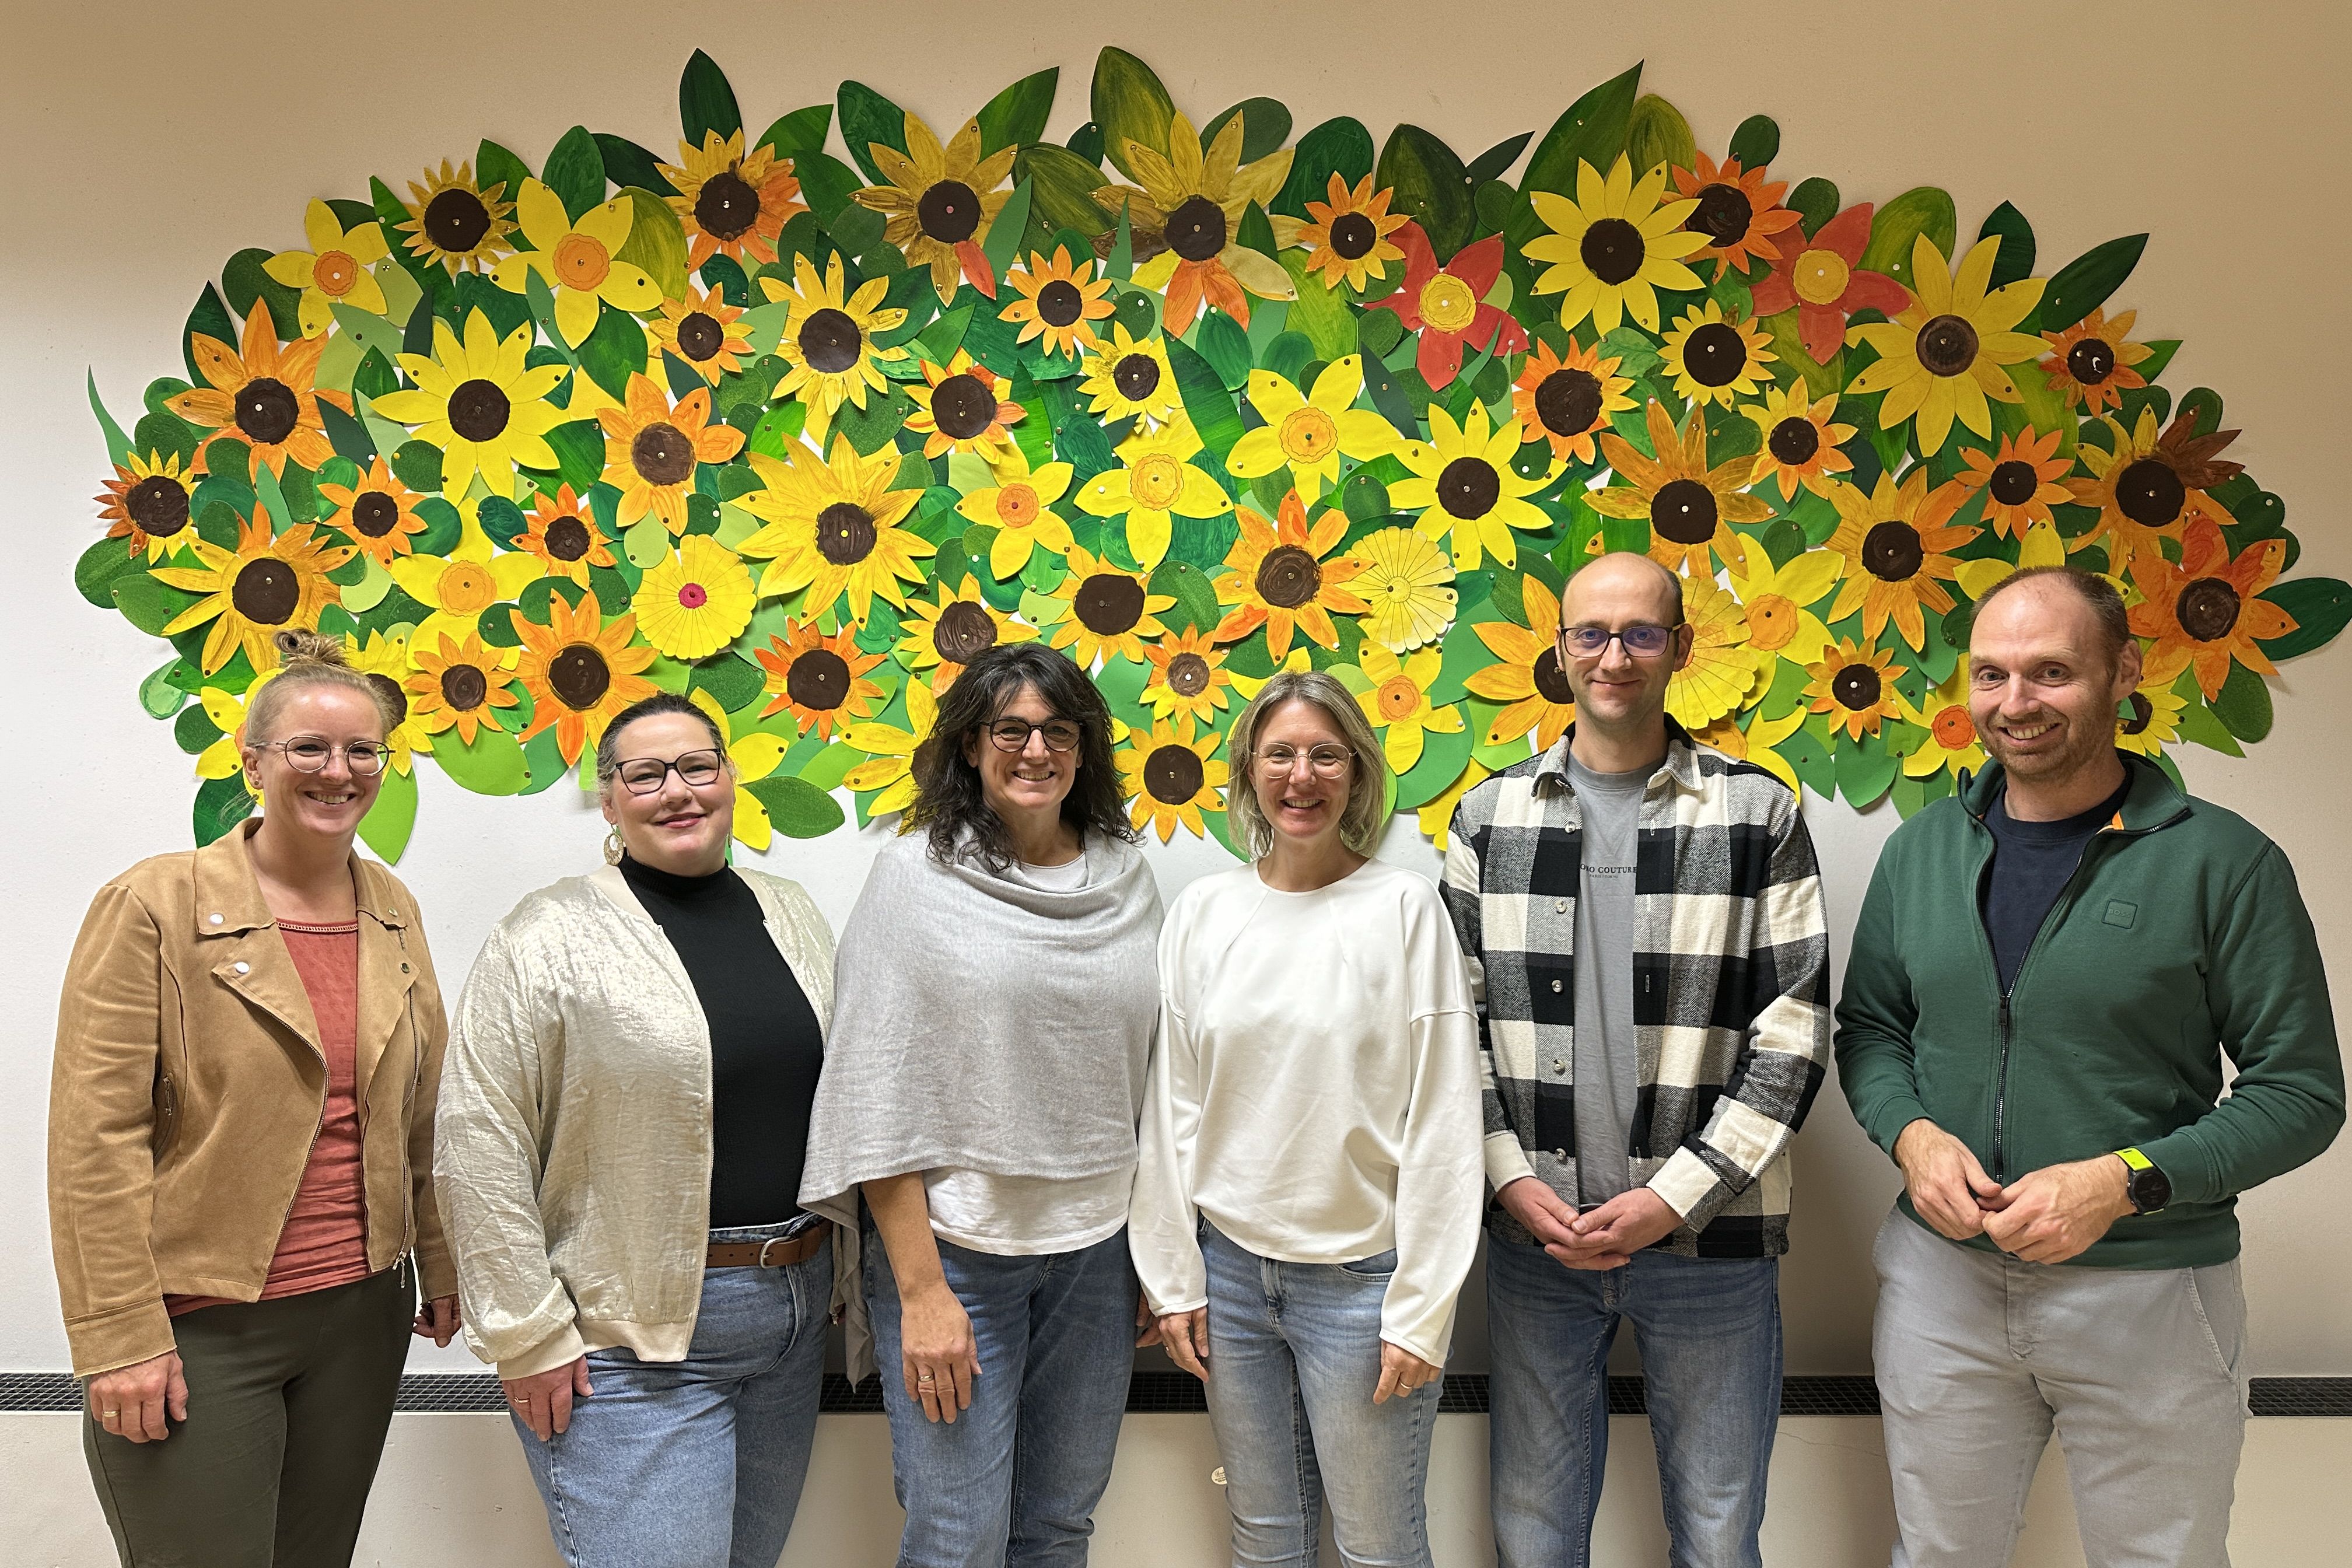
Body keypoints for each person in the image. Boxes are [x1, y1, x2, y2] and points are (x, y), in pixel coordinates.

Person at [1835, 565, 2343, 1568]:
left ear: (2125, 673)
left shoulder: (2224, 863)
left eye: (2051, 672)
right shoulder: (1922, 852)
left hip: (2149, 1296)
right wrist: (1912, 1135)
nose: (2014, 703)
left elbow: (2303, 1094)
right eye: (1991, 674)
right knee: (1937, 1557)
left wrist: (2124, 1182)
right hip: (1944, 1291)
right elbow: (1870, 1031)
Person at [1441, 551, 1832, 1568]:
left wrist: (1676, 1197)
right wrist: (1511, 1180)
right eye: (1591, 634)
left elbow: (1794, 1034)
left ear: (1680, 650)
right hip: (1539, 1246)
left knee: (1715, 1533)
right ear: (1560, 651)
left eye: (1641, 634)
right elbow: (1452, 1033)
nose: (1613, 656)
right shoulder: (1488, 819)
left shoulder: (1760, 814)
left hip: (1714, 1248)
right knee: (1533, 1534)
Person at [50, 629, 459, 1568]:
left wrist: (437, 1262)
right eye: (309, 748)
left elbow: (420, 1110)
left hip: (360, 1319)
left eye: (362, 751)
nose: (338, 770)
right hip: (200, 1327)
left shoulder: (392, 904)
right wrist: (117, 1338)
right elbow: (94, 1140)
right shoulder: (154, 904)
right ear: (253, 762)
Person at [434, 691, 845, 1568]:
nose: (677, 791)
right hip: (625, 1339)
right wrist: (524, 1333)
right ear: (610, 797)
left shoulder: (792, 912)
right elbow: (478, 1135)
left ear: (732, 778)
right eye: (646, 774)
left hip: (793, 1314)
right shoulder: (547, 934)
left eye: (698, 767)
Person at [799, 642, 1162, 1568]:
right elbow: (871, 1090)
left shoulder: (1127, 877)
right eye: (1011, 730)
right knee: (957, 1537)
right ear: (969, 747)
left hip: (1096, 1256)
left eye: (1058, 732)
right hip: (956, 1257)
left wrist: (1160, 1255)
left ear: (1084, 750)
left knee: (1057, 1527)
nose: (1035, 751)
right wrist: (920, 1293)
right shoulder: (915, 878)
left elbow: (1161, 1076)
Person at [1132, 670, 1484, 1568]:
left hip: (1364, 1288)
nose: (1302, 776)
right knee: (1265, 1540)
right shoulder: (1206, 912)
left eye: (1326, 756)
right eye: (1280, 754)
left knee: (1378, 1548)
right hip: (1234, 1282)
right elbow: (1173, 1107)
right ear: (1250, 770)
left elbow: (1446, 1116)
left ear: (1358, 774)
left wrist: (1422, 1309)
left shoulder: (1406, 909)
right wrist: (1173, 1276)